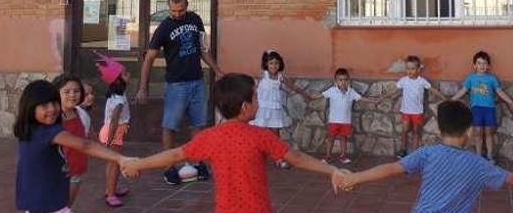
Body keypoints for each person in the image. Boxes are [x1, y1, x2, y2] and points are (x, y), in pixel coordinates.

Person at [120, 73, 346, 213]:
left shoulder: (210, 137)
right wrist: (331, 170)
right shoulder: (261, 136)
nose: (259, 102)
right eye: (255, 97)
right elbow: (296, 158)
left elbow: (174, 155)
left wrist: (137, 164)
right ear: (244, 107)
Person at [335, 100, 513, 213]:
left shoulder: (427, 153)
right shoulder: (479, 164)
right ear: (470, 132)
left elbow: (391, 168)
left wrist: (355, 178)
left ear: (440, 130)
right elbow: (512, 178)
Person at [137, 0, 224, 185]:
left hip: (197, 81)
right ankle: (169, 167)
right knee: (170, 126)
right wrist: (143, 87)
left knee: (198, 124)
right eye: (174, 11)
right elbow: (149, 58)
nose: (177, 14)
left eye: (181, 10)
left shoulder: (195, 20)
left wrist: (217, 70)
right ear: (169, 8)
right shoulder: (164, 28)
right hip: (176, 84)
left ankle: (200, 162)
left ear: (187, 5)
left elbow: (202, 49)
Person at [15, 80, 130, 213]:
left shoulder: (31, 129)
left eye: (54, 102)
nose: (52, 108)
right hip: (47, 203)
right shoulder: (47, 132)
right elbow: (85, 145)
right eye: (44, 105)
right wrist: (120, 158)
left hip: (35, 199)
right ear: (30, 107)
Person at [451, 51, 513, 164]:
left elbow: (499, 91)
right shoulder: (471, 78)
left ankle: (490, 156)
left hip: (489, 109)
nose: (482, 66)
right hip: (476, 110)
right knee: (478, 133)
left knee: (489, 133)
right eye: (479, 63)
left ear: (489, 66)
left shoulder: (492, 79)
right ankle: (478, 156)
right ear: (474, 65)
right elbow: (463, 90)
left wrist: (510, 101)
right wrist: (452, 100)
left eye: (485, 63)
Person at [302, 68, 378, 164]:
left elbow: (361, 98)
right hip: (333, 121)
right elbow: (319, 96)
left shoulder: (351, 92)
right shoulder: (332, 90)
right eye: (340, 80)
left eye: (345, 80)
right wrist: (309, 96)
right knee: (331, 138)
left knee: (343, 139)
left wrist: (373, 101)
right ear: (335, 82)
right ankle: (328, 156)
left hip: (345, 121)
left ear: (348, 81)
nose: (343, 82)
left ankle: (343, 156)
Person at [251, 49, 308, 169]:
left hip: (275, 110)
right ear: (266, 64)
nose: (274, 66)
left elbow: (293, 86)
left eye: (276, 63)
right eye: (271, 63)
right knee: (259, 133)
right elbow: (254, 87)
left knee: (275, 135)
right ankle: (256, 157)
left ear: (280, 64)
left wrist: (305, 94)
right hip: (263, 109)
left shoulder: (280, 77)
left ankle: (278, 158)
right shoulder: (263, 74)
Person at [381, 55, 445, 158]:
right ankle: (403, 149)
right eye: (407, 68)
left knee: (416, 131)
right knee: (404, 130)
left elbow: (433, 90)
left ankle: (415, 153)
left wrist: (444, 98)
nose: (409, 71)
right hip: (406, 111)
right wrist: (383, 97)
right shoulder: (403, 80)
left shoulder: (422, 81)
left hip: (417, 112)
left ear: (418, 69)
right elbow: (394, 90)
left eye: (412, 69)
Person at [97, 54, 132, 207]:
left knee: (113, 163)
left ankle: (111, 189)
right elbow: (113, 122)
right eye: (125, 73)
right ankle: (110, 194)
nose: (129, 74)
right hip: (113, 132)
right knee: (114, 163)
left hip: (114, 132)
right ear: (118, 80)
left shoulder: (118, 94)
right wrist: (110, 140)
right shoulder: (118, 100)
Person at [52, 74, 89, 206]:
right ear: (56, 93)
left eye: (76, 91)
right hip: (59, 172)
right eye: (67, 92)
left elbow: (86, 136)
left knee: (67, 205)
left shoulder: (79, 113)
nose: (72, 95)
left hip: (76, 169)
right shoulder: (54, 117)